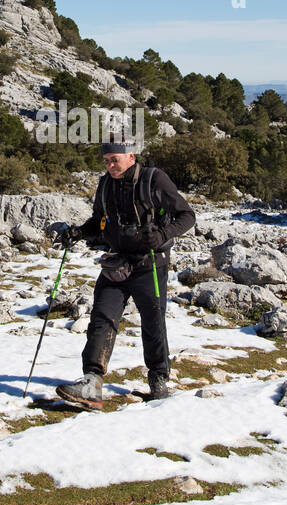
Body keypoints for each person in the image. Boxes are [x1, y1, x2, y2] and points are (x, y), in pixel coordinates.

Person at [47, 140, 196, 405]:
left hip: (150, 264)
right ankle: (91, 382)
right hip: (116, 263)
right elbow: (99, 221)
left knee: (153, 323)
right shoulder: (105, 184)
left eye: (115, 159)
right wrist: (79, 232)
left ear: (131, 155)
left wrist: (163, 234)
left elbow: (186, 215)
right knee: (102, 318)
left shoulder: (154, 179)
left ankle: (158, 381)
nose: (110, 165)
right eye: (106, 161)